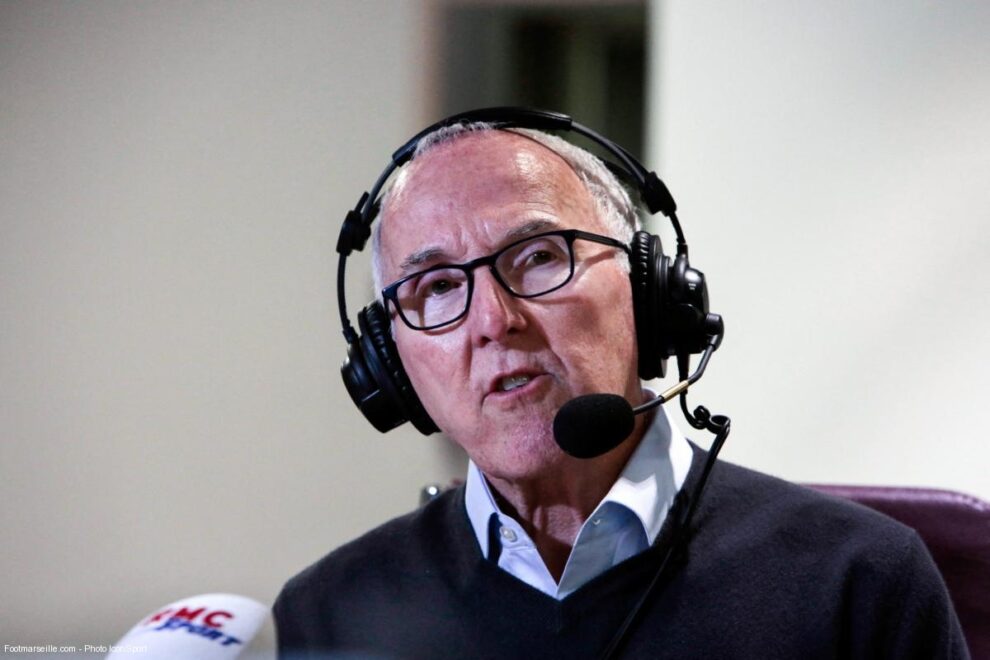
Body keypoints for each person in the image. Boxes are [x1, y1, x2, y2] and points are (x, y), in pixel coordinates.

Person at [274, 115, 968, 659]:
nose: (494, 320)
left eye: (539, 256)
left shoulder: (862, 583)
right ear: (390, 365)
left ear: (647, 291)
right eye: (437, 287)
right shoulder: (327, 614)